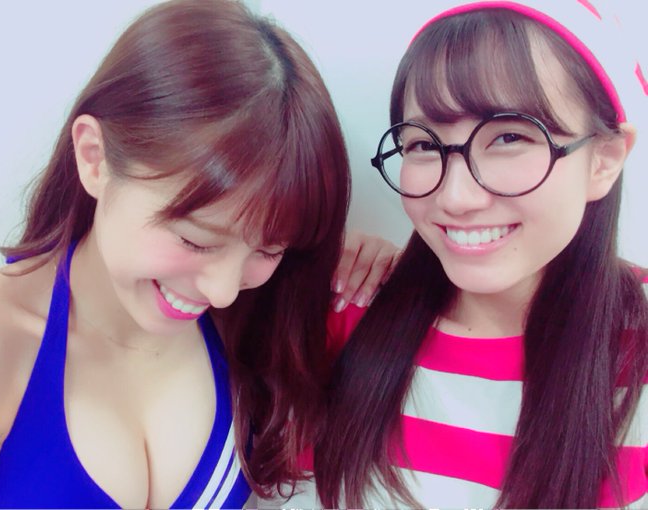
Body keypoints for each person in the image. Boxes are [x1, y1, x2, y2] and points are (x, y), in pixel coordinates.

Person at [0, 1, 399, 508]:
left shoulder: (256, 323)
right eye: (195, 240)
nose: (223, 290)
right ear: (94, 158)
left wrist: (384, 271)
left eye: (269, 249)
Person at [263, 1, 648, 509]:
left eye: (509, 136)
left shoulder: (636, 350)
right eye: (424, 145)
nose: (455, 198)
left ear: (604, 159)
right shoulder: (346, 313)